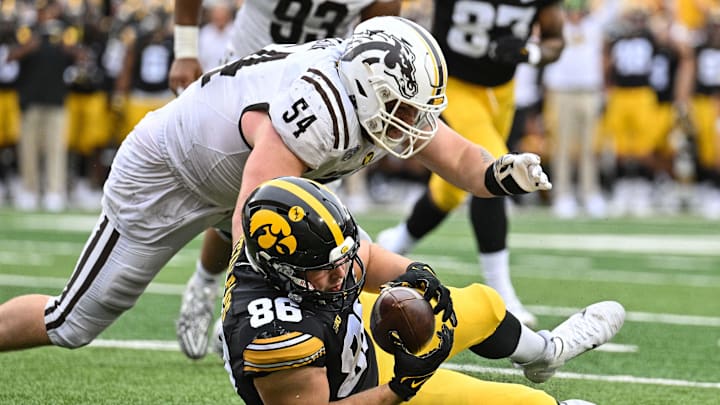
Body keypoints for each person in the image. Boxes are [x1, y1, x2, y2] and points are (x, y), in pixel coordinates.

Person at [0, 16, 552, 365]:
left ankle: (524, 348)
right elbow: (255, 204)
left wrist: (501, 172)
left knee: (341, 259)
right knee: (72, 323)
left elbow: (455, 154)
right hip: (168, 175)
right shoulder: (320, 105)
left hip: (234, 180)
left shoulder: (374, 94)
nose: (414, 123)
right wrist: (250, 300)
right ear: (369, 88)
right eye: (406, 108)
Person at [222, 175, 625, 404]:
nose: (343, 275)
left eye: (342, 260)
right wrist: (399, 388)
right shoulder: (274, 335)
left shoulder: (290, 249)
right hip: (356, 389)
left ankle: (545, 355)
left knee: (483, 303)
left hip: (353, 337)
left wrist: (415, 272)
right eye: (326, 271)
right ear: (282, 271)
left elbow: (364, 254)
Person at [170, 0, 402, 360]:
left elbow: (381, 35)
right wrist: (185, 50)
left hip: (327, 98)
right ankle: (208, 285)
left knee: (310, 220)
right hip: (250, 81)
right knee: (240, 204)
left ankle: (288, 315)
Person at [376, 0, 565, 328]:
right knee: (492, 170)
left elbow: (554, 39)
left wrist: (530, 54)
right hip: (454, 84)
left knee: (449, 191)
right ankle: (501, 292)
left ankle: (397, 242)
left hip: (503, 91)